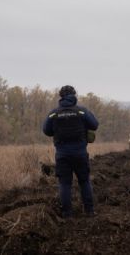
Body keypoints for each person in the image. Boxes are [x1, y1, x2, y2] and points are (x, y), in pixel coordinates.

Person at [42, 85, 99, 218]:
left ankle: (67, 214)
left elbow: (46, 131)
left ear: (61, 97)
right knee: (84, 181)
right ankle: (89, 211)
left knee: (65, 184)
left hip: (62, 155)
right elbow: (95, 125)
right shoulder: (82, 111)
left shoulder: (53, 113)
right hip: (80, 153)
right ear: (74, 95)